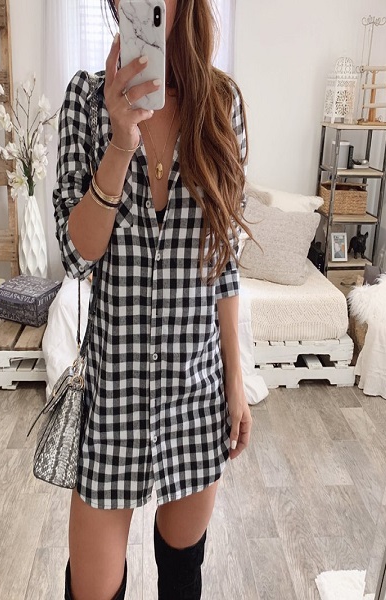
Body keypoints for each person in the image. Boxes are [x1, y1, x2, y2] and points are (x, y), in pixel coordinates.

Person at [52, 1, 253, 598]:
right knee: (92, 590)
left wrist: (236, 382)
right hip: (113, 400)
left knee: (183, 577)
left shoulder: (221, 106)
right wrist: (121, 142)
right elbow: (78, 255)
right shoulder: (86, 99)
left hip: (196, 396)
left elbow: (223, 262)